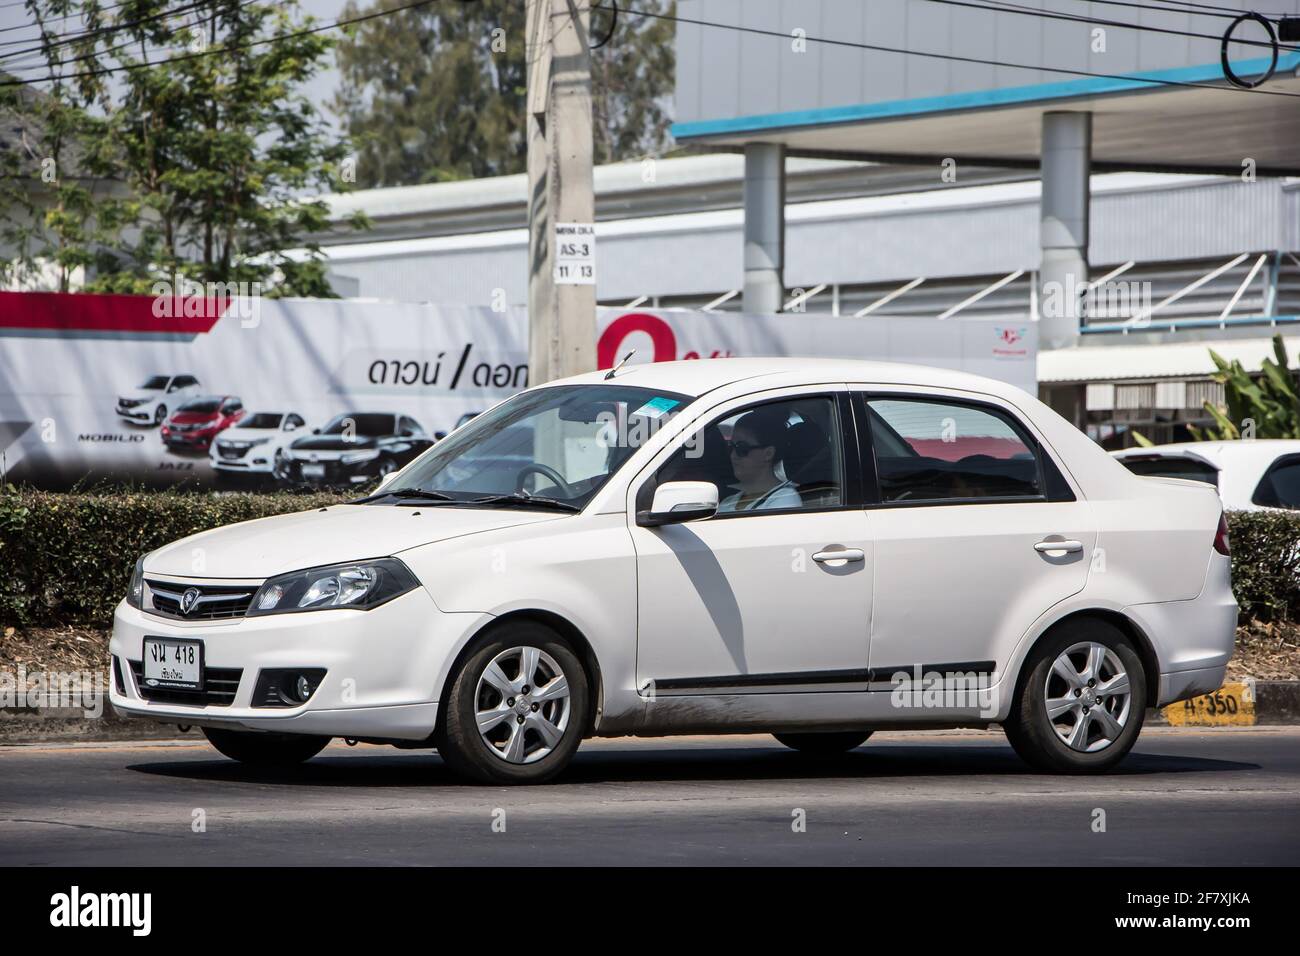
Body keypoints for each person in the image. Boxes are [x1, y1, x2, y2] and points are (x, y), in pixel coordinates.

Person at [718, 408, 803, 512]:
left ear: (768, 454)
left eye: (742, 448)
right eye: (731, 446)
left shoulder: (784, 500)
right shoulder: (728, 502)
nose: (733, 455)